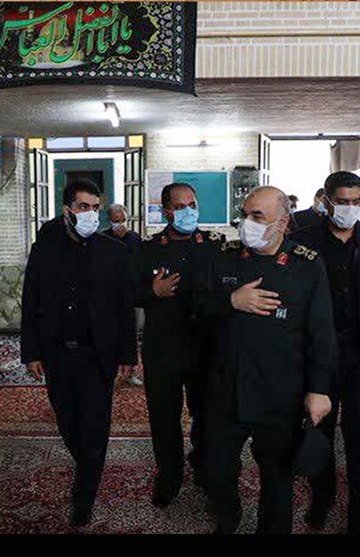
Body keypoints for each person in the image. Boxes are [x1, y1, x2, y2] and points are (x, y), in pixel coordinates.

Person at [195, 186, 334, 534]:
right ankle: (228, 518)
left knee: (278, 476)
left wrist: (319, 389)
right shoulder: (223, 256)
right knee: (216, 470)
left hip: (280, 391)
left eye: (257, 216)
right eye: (245, 214)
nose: (247, 222)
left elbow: (322, 332)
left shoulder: (306, 264)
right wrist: (231, 301)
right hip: (226, 387)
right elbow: (195, 307)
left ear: (282, 223)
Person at [291, 171, 360, 534]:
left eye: (356, 201)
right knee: (318, 433)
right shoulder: (302, 241)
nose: (349, 208)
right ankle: (321, 499)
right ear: (326, 200)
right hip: (318, 354)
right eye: (342, 201)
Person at [21, 180, 136, 526]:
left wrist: (127, 355)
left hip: (97, 355)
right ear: (67, 210)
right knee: (68, 423)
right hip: (57, 354)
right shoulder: (46, 248)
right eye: (83, 207)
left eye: (95, 207)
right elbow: (31, 299)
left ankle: (84, 497)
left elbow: (124, 308)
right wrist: (31, 352)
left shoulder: (113, 251)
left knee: (95, 428)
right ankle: (86, 464)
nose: (91, 214)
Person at [135, 182, 226, 507]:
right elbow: (125, 292)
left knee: (208, 416)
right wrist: (152, 292)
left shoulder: (216, 246)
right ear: (166, 212)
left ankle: (203, 467)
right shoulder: (147, 249)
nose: (188, 212)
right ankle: (169, 477)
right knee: (164, 418)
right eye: (180, 207)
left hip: (206, 349)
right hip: (163, 350)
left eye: (192, 205)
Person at [104, 203, 145, 386]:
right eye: (116, 220)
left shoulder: (134, 238)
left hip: (132, 296)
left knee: (132, 334)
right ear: (109, 220)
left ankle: (130, 373)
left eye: (123, 220)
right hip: (110, 297)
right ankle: (110, 372)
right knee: (110, 334)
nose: (120, 224)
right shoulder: (103, 239)